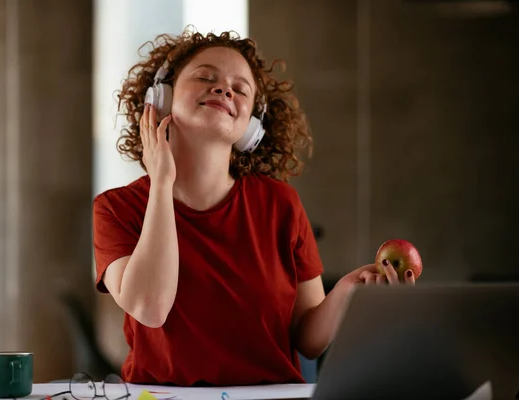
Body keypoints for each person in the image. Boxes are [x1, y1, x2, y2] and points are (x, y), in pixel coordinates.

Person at [92, 28, 415, 386]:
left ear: (252, 127)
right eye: (205, 77)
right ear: (161, 97)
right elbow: (149, 309)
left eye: (240, 89)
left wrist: (349, 290)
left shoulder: (281, 204)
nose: (224, 89)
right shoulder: (116, 208)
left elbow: (308, 341)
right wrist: (162, 184)